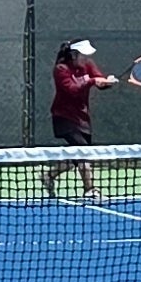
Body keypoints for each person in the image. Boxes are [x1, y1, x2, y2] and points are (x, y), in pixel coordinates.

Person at [43, 36, 113, 200]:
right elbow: (72, 89)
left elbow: (98, 79)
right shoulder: (61, 69)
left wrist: (106, 82)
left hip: (82, 118)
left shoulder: (88, 65)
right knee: (83, 151)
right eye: (83, 55)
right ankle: (90, 189)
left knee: (76, 156)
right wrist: (92, 80)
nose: (87, 58)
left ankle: (49, 176)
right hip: (63, 117)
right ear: (74, 55)